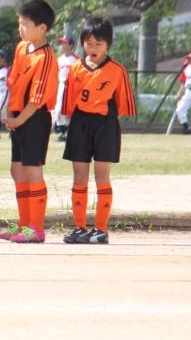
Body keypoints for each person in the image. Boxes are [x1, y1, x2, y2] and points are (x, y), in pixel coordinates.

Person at [61, 17, 136, 244]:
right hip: (80, 124)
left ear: (108, 45)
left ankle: (101, 229)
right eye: (88, 43)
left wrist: (105, 117)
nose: (93, 48)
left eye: (98, 43)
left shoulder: (117, 70)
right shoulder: (75, 67)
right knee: (79, 175)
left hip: (105, 124)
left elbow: (124, 104)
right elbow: (69, 101)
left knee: (102, 175)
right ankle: (79, 228)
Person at [0, 0, 59, 244]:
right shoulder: (22, 48)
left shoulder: (46, 57)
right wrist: (10, 114)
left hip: (34, 118)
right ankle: (24, 224)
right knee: (17, 170)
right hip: (18, 118)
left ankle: (36, 228)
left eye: (25, 24)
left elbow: (37, 99)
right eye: (19, 23)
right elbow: (13, 82)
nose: (20, 28)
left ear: (42, 27)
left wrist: (20, 119)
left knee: (33, 170)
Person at [53, 36, 77, 141]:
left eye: (65, 43)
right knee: (58, 109)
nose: (62, 45)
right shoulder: (59, 59)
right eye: (62, 43)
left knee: (69, 110)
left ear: (71, 45)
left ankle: (66, 132)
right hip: (62, 85)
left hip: (72, 87)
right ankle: (61, 130)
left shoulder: (76, 59)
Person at [175, 53, 191, 135]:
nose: (189, 60)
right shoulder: (187, 68)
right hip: (189, 91)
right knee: (180, 110)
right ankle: (186, 128)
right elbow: (184, 82)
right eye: (189, 58)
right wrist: (180, 93)